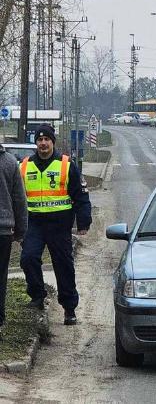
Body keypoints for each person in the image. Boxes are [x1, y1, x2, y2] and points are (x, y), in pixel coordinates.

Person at [19, 125, 91, 325]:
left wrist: (83, 220)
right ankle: (37, 295)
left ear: (53, 142)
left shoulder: (66, 165)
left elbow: (81, 195)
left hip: (59, 225)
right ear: (36, 143)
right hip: (33, 224)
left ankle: (69, 308)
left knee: (63, 266)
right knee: (28, 258)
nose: (43, 143)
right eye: (39, 140)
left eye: (47, 140)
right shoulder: (24, 166)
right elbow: (17, 197)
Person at [0, 142, 27, 334]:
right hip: (3, 231)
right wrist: (20, 231)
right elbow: (19, 199)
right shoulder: (10, 162)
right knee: (1, 277)